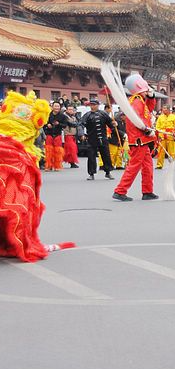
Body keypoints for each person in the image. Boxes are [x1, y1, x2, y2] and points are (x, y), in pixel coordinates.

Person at [0, 91, 74, 261]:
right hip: (18, 160)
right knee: (20, 203)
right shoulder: (32, 124)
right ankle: (15, 240)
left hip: (15, 155)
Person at [113, 74, 158, 202]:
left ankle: (147, 191)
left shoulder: (138, 100)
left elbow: (147, 110)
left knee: (147, 166)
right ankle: (120, 190)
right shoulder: (137, 101)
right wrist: (146, 130)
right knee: (134, 166)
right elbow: (136, 120)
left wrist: (151, 97)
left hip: (142, 139)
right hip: (139, 139)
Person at [80, 101, 115, 180]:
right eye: (91, 105)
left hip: (103, 138)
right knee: (91, 157)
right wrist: (81, 133)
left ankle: (108, 172)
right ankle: (91, 174)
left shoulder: (103, 114)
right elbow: (81, 125)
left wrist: (114, 125)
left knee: (106, 155)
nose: (92, 106)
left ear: (98, 105)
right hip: (92, 139)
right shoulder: (87, 115)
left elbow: (110, 124)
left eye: (94, 105)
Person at [43, 101, 65, 172]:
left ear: (60, 107)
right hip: (49, 134)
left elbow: (65, 125)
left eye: (58, 106)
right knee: (48, 150)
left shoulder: (62, 116)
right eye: (55, 106)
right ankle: (48, 166)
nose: (57, 108)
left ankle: (57, 166)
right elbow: (43, 124)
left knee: (58, 151)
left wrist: (59, 124)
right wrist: (47, 125)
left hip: (58, 135)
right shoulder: (48, 115)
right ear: (52, 107)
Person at [155, 105, 175, 169]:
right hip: (162, 136)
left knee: (172, 152)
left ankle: (171, 164)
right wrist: (159, 135)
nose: (163, 110)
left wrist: (174, 132)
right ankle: (159, 165)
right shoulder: (160, 117)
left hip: (170, 136)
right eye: (163, 108)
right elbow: (157, 127)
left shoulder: (174, 117)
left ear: (168, 110)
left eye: (165, 108)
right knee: (160, 151)